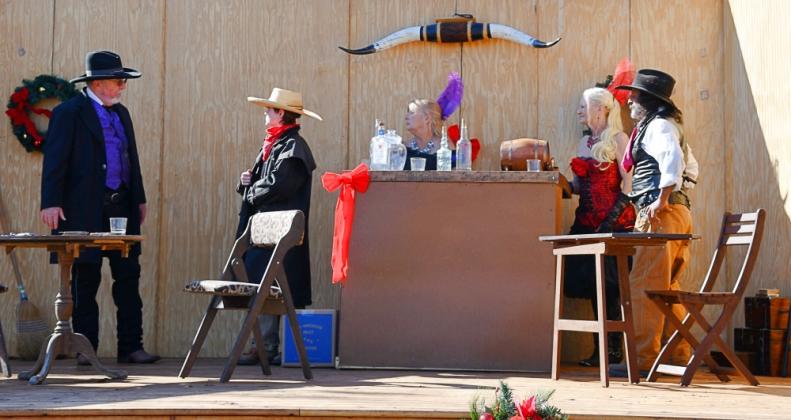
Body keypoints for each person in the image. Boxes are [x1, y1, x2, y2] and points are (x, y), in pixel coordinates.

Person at [40, 50, 159, 364]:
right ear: (98, 82)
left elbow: (130, 158)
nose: (122, 86)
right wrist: (51, 202)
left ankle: (131, 346)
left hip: (122, 207)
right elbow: (55, 159)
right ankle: (85, 348)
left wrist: (140, 197)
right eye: (118, 81)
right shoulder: (69, 112)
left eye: (123, 81)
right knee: (85, 278)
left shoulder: (122, 113)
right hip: (84, 208)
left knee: (128, 278)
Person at [610, 68, 694, 376]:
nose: (629, 103)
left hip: (659, 214)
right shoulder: (664, 126)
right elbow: (691, 167)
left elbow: (673, 160)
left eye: (634, 98)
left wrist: (661, 199)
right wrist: (675, 199)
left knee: (644, 286)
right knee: (666, 288)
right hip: (675, 214)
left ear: (648, 101)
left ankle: (642, 360)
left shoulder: (658, 126)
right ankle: (680, 355)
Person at [236, 88, 320, 366]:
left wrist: (251, 191)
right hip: (266, 233)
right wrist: (247, 180)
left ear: (281, 113)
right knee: (263, 286)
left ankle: (273, 347)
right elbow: (264, 181)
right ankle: (264, 346)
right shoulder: (275, 144)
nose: (265, 112)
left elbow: (279, 185)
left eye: (269, 109)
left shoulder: (293, 147)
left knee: (276, 288)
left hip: (280, 234)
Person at [564, 87, 635, 367]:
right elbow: (581, 187)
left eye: (583, 105)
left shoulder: (619, 139)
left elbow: (628, 184)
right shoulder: (584, 144)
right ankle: (601, 350)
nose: (579, 110)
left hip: (614, 223)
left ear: (601, 108)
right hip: (586, 223)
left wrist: (611, 220)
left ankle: (613, 352)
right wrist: (561, 184)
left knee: (610, 285)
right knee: (593, 285)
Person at [403, 99, 454, 170]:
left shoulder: (445, 146)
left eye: (411, 113)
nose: (406, 117)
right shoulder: (403, 148)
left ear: (427, 118)